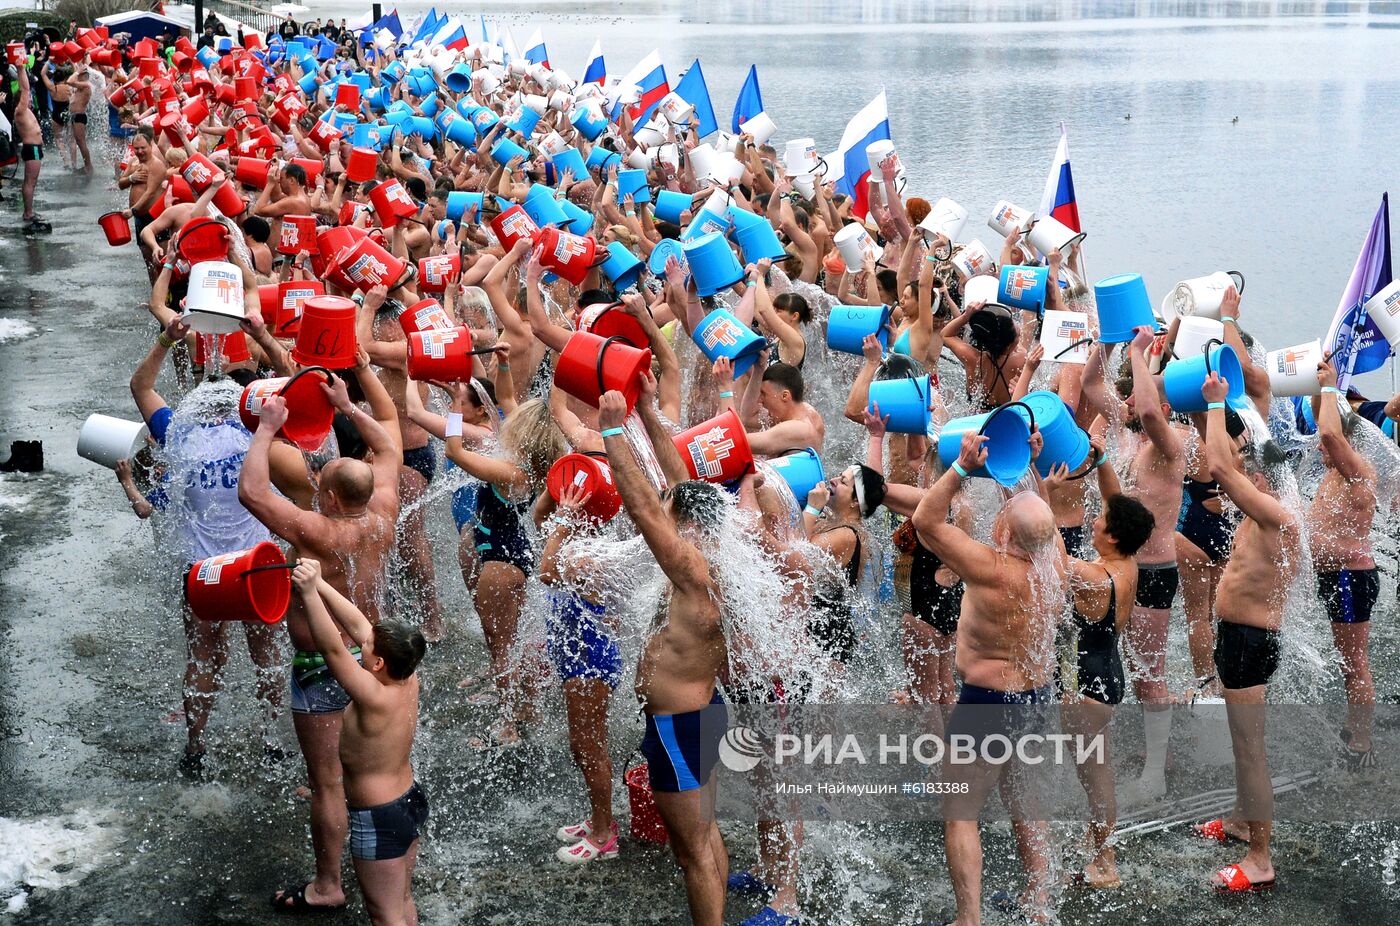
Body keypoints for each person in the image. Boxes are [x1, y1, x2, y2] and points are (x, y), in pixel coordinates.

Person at [238, 358, 404, 914]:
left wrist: (265, 427)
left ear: (329, 498)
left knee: (329, 781)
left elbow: (253, 493)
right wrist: (347, 406)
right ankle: (389, 873)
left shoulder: (319, 529)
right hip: (372, 654)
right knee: (378, 769)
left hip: (322, 666)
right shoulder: (382, 509)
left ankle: (329, 884)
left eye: (320, 486)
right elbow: (390, 449)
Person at [912, 430, 1065, 926]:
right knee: (1023, 795)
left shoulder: (990, 568)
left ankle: (969, 918)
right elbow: (1034, 517)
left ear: (1004, 532)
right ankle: (1039, 904)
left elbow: (924, 520)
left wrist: (959, 466)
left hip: (987, 702)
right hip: (1036, 696)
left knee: (960, 810)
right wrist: (1025, 467)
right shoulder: (1055, 562)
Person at [129, 315, 285, 776]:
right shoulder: (263, 435)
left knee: (202, 656)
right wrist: (261, 335)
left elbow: (140, 386)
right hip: (259, 565)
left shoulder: (177, 432)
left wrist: (165, 340)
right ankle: (272, 740)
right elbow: (298, 381)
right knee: (267, 656)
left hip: (204, 571)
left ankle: (195, 748)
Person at [600, 387, 731, 926]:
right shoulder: (715, 553)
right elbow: (680, 489)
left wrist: (613, 432)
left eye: (668, 509)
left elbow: (644, 506)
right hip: (696, 715)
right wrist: (648, 412)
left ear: (682, 523)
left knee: (691, 854)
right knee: (706, 836)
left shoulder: (691, 572)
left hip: (681, 728)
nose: (662, 508)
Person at [1194, 370, 1301, 894]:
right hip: (1239, 640)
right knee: (1243, 747)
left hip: (1248, 644)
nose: (1243, 470)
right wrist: (1202, 404)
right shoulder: (1264, 516)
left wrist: (1216, 403)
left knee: (1250, 750)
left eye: (1252, 467)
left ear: (1268, 478)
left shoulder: (1277, 517)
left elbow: (1218, 465)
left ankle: (1261, 859)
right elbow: (1219, 459)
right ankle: (1241, 820)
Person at [291, 559, 427, 926]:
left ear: (378, 662)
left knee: (384, 915)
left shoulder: (372, 694)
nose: (361, 641)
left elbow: (334, 650)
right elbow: (356, 624)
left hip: (378, 816)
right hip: (409, 800)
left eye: (367, 645)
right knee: (400, 900)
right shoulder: (405, 678)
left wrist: (307, 593)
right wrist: (319, 582)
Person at [1051, 447, 1154, 890]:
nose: (1091, 520)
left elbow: (1045, 551)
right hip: (1103, 673)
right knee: (1097, 771)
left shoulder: (1093, 578)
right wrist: (1102, 461)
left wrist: (1048, 495)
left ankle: (1105, 861)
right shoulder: (1126, 563)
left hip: (1087, 687)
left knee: (1095, 777)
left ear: (1112, 537)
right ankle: (1098, 846)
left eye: (1099, 521)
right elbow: (1120, 507)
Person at [1092, 327, 1186, 804]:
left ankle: (1156, 776)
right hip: (1118, 567)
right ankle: (1158, 754)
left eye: (1142, 393)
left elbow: (1149, 408)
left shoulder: (1172, 450)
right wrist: (1104, 342)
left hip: (1152, 571)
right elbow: (1092, 387)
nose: (1132, 403)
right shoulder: (1129, 442)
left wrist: (1137, 354)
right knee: (1124, 663)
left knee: (1150, 670)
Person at [538, 480, 623, 864]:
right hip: (577, 657)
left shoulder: (592, 556)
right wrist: (555, 499)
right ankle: (597, 819)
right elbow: (539, 520)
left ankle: (605, 834)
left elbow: (546, 571)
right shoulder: (582, 541)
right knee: (584, 745)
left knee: (588, 746)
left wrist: (564, 519)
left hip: (589, 661)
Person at [1310, 359, 1379, 769]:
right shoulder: (1335, 474)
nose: (1320, 445)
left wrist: (1330, 386)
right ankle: (1355, 730)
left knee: (1355, 663)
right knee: (1347, 661)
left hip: (1351, 578)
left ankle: (1362, 745)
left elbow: (1330, 432)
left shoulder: (1356, 472)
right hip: (1336, 576)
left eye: (1327, 442)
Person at [801, 464, 884, 665]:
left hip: (828, 643)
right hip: (819, 635)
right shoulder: (831, 522)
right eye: (839, 475)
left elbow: (798, 551)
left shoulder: (848, 535)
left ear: (855, 501)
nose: (833, 480)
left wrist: (812, 507)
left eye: (843, 481)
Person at [12, 64, 49, 233]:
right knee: (30, 182)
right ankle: (28, 213)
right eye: (26, 97)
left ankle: (28, 211)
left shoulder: (26, 110)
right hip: (31, 148)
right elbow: (25, 88)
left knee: (30, 182)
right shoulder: (20, 110)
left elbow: (26, 90)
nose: (29, 98)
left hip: (34, 148)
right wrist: (20, 69)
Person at [65, 60, 92, 172]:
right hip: (75, 115)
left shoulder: (86, 85)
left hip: (79, 116)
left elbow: (69, 81)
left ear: (83, 76)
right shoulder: (81, 86)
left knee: (81, 142)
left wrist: (77, 72)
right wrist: (72, 62)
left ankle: (88, 165)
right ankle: (84, 164)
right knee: (76, 141)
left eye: (79, 75)